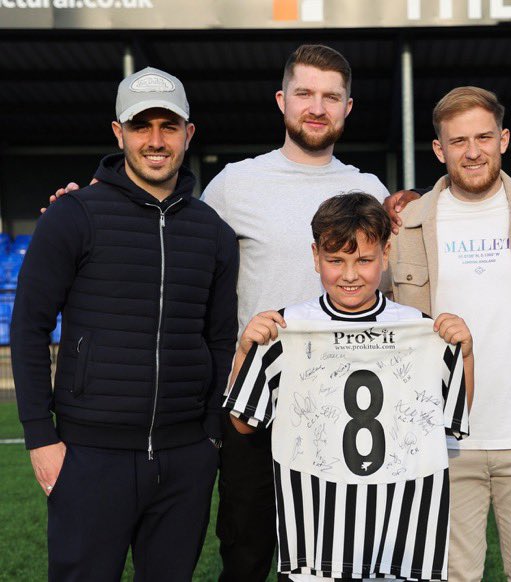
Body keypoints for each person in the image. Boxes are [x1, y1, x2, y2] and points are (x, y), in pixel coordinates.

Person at [51, 44, 389, 581]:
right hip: (252, 411)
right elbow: (167, 234)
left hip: (342, 412)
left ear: (349, 106)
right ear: (282, 101)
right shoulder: (235, 184)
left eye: (331, 96)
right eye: (304, 93)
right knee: (247, 556)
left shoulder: (370, 190)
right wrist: (87, 203)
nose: (317, 107)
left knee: (334, 561)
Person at [11, 67, 238, 581]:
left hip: (186, 459)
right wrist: (40, 438)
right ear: (119, 132)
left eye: (168, 126)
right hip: (90, 458)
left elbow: (220, 338)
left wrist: (210, 438)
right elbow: (28, 327)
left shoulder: (214, 233)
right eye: (142, 126)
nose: (155, 141)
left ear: (188, 134)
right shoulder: (72, 216)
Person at [224, 192, 474, 582]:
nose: (350, 274)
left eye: (364, 260)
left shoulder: (422, 329)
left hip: (401, 535)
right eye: (335, 261)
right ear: (315, 256)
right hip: (315, 536)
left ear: (386, 254)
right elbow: (243, 424)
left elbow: (453, 416)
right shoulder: (284, 329)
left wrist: (465, 355)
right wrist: (245, 354)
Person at [390, 86, 511, 581]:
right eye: (458, 141)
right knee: (454, 575)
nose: (472, 151)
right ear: (439, 150)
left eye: (483, 137)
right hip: (442, 440)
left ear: (503, 140)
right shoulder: (407, 225)